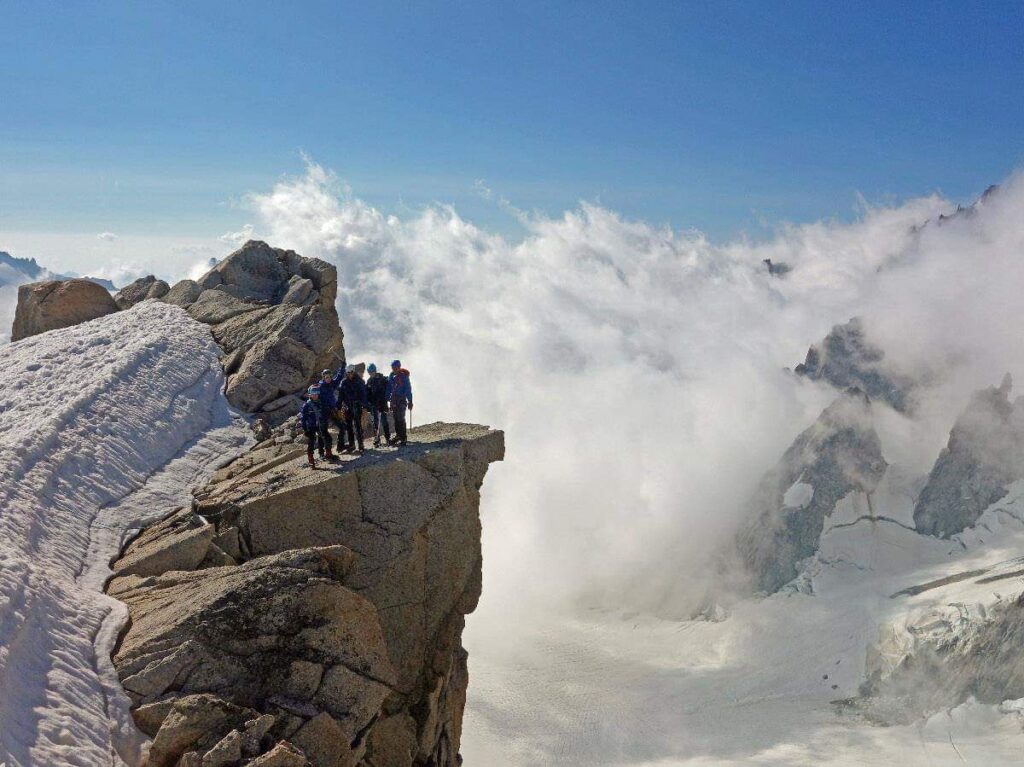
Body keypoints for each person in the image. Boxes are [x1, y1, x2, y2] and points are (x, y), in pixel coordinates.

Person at [338, 364, 369, 452]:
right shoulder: (344, 383)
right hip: (347, 407)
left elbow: (363, 395)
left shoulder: (359, 381)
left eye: (351, 372)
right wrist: (338, 407)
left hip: (356, 406)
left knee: (358, 425)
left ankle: (360, 445)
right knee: (349, 426)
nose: (349, 374)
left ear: (354, 371)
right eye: (348, 372)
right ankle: (352, 445)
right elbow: (341, 396)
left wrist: (365, 407)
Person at [316, 367, 347, 454]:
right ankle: (322, 453)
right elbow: (315, 398)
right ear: (323, 378)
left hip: (333, 410)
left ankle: (340, 446)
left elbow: (339, 377)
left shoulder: (332, 383)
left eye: (329, 377)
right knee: (322, 431)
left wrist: (342, 367)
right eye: (326, 377)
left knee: (342, 427)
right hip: (324, 411)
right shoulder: (320, 386)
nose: (328, 379)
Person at [366, 363, 391, 447]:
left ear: (375, 371)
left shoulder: (382, 379)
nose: (371, 373)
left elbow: (386, 390)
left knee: (384, 421)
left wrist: (384, 401)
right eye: (370, 372)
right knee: (375, 422)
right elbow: (368, 393)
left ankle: (388, 438)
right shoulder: (369, 381)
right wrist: (369, 403)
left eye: (372, 371)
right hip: (374, 405)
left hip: (382, 404)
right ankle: (377, 439)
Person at [388, 359, 413, 446]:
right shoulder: (391, 376)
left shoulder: (404, 377)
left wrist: (410, 401)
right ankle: (399, 435)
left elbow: (408, 389)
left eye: (395, 368)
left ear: (399, 367)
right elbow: (389, 388)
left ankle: (403, 437)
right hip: (394, 400)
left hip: (401, 400)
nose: (394, 369)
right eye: (393, 368)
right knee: (396, 418)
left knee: (400, 418)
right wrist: (386, 398)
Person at [297, 386, 323, 467]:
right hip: (310, 426)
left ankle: (322, 453)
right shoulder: (306, 405)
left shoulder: (320, 403)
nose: (315, 395)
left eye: (317, 393)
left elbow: (323, 413)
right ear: (310, 394)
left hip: (319, 424)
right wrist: (305, 429)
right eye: (313, 393)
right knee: (311, 442)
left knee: (321, 438)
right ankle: (311, 459)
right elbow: (303, 419)